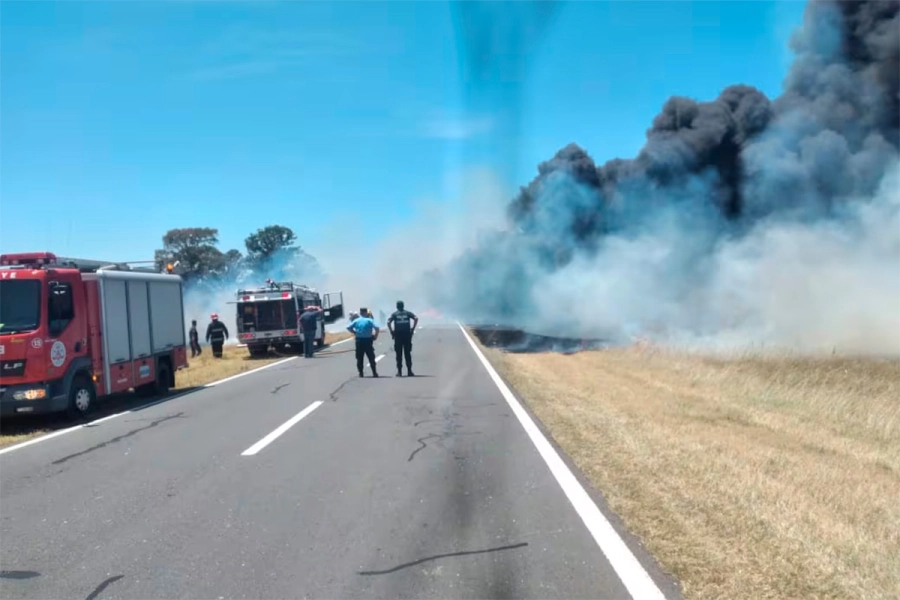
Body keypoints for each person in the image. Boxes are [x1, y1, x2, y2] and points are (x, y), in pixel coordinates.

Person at [388, 300, 418, 377]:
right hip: (407, 335)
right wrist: (413, 328)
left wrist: (391, 331)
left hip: (398, 336)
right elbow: (416, 318)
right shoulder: (408, 313)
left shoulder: (394, 314)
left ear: (397, 306)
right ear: (403, 306)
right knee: (407, 353)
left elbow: (388, 322)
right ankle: (409, 371)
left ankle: (399, 372)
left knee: (399, 354)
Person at [346, 310, 380, 377]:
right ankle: (374, 372)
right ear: (365, 313)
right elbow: (377, 328)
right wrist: (375, 336)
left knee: (359, 358)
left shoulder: (356, 321)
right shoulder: (369, 320)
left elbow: (348, 327)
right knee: (371, 357)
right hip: (368, 341)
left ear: (360, 313)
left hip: (359, 341)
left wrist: (355, 332)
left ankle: (361, 373)